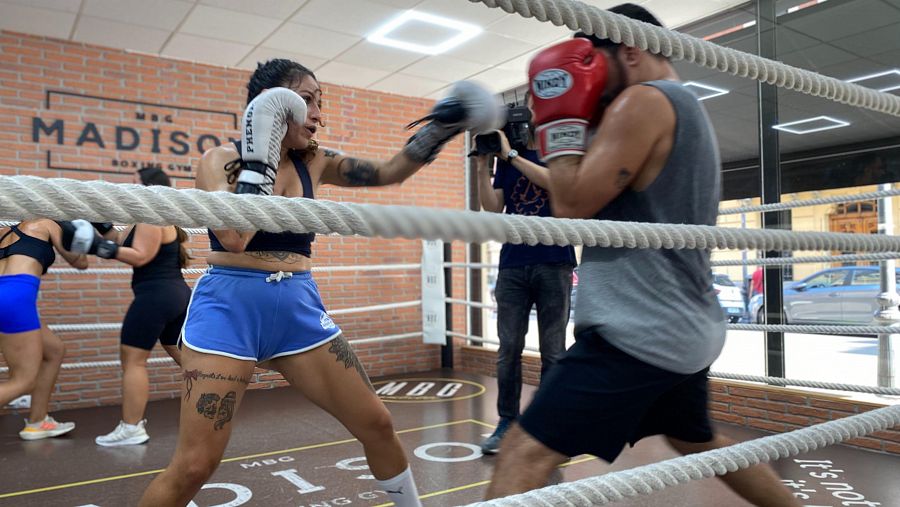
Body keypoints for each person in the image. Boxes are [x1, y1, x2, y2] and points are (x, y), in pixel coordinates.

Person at [136, 59, 499, 507]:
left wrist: (443, 128)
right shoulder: (219, 161)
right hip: (230, 306)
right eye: (306, 100)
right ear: (271, 105)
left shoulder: (316, 161)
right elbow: (234, 237)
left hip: (297, 305)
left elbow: (389, 172)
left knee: (378, 424)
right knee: (194, 466)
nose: (318, 114)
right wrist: (261, 151)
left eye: (319, 102)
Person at [485, 5, 801, 506]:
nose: (587, 79)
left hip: (638, 329)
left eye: (592, 64)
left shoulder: (643, 102)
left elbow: (570, 204)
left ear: (629, 48)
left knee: (522, 452)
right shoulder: (683, 106)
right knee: (698, 441)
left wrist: (562, 118)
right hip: (684, 322)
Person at [473, 103, 576, 454]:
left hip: (553, 261)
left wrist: (512, 154)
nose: (514, 133)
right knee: (509, 349)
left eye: (517, 128)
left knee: (553, 351)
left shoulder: (553, 153)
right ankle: (506, 422)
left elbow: (556, 186)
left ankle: (548, 425)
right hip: (513, 264)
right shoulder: (504, 161)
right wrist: (482, 166)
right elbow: (491, 206)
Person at [93, 167, 191, 446]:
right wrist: (99, 226)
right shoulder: (145, 216)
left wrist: (94, 247)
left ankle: (131, 427)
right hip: (174, 295)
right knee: (188, 360)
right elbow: (118, 241)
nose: (129, 187)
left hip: (156, 297)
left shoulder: (151, 213)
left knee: (133, 361)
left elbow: (140, 255)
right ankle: (212, 407)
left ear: (147, 186)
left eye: (134, 183)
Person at [0, 219, 88, 440]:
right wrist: (83, 237)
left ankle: (37, 421)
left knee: (54, 350)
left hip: (8, 296)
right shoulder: (47, 223)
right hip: (15, 299)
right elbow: (80, 262)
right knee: (23, 380)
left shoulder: (4, 232)